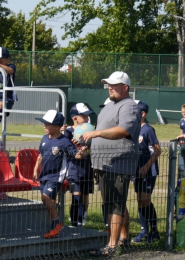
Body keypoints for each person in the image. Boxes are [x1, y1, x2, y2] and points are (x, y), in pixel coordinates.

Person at [81, 71, 141, 257]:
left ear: (125, 87)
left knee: (115, 204)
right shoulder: (109, 105)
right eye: (109, 84)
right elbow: (102, 131)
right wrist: (87, 141)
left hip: (118, 162)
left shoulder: (129, 106)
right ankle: (123, 238)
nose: (110, 87)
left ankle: (111, 246)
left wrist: (96, 134)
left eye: (114, 85)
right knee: (114, 203)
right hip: (103, 163)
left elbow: (123, 130)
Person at [33, 110, 87, 239]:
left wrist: (83, 152)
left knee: (45, 197)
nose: (44, 126)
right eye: (44, 124)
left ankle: (57, 223)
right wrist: (36, 169)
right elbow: (40, 155)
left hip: (56, 176)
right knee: (49, 202)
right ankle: (53, 227)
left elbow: (76, 155)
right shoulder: (45, 138)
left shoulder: (64, 141)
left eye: (47, 124)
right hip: (44, 175)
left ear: (57, 127)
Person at [132, 101, 161, 243]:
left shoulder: (148, 130)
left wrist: (146, 166)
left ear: (142, 114)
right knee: (139, 201)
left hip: (148, 171)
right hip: (136, 171)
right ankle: (144, 230)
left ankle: (154, 230)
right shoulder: (134, 129)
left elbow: (157, 150)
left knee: (145, 199)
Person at [64, 103, 94, 227]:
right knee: (76, 195)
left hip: (87, 169)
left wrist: (87, 148)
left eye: (88, 116)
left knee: (84, 197)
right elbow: (66, 148)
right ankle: (74, 223)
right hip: (74, 169)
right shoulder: (67, 132)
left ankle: (81, 220)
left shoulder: (91, 131)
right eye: (84, 116)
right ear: (75, 118)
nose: (87, 118)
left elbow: (95, 147)